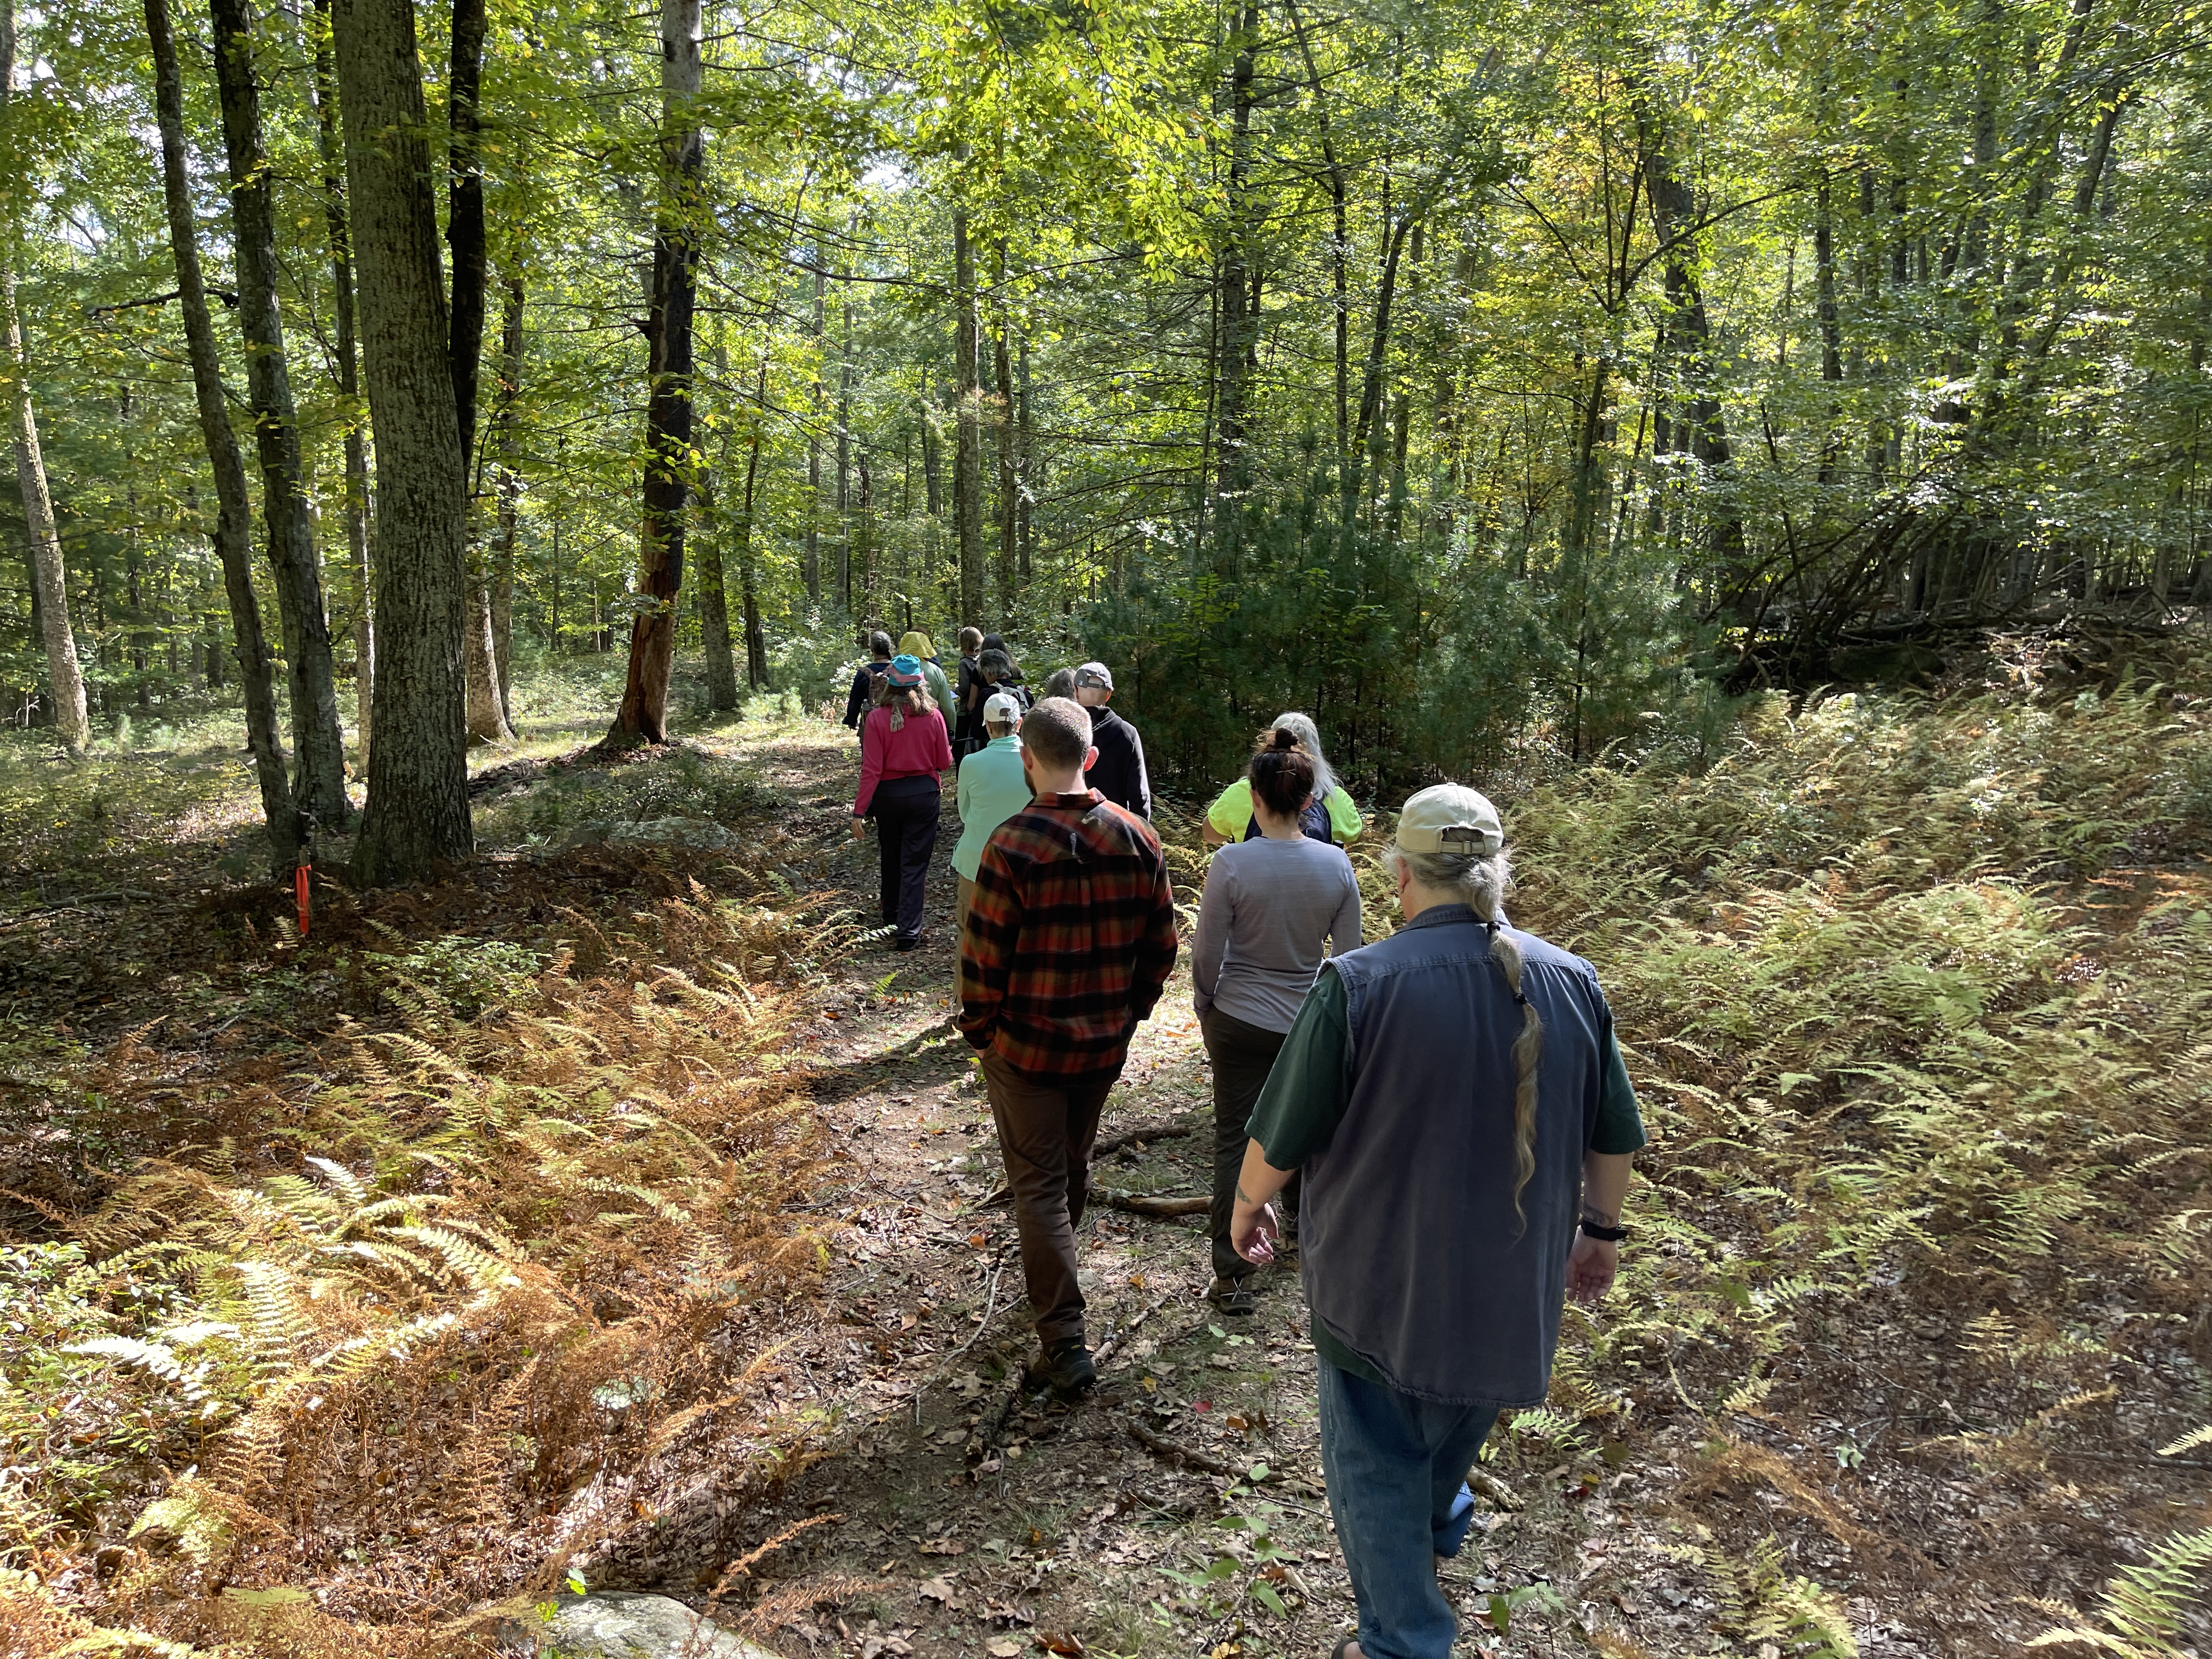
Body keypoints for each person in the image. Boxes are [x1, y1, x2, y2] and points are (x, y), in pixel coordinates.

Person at [1226, 785, 1645, 1659]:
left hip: (1376, 1291)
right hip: (1512, 1288)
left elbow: (1281, 1133)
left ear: (1402, 877)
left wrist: (1246, 1203)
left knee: (1375, 1466)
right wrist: (1600, 1233)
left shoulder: (1360, 984)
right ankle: (1434, 1526)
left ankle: (1402, 1641)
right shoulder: (1572, 982)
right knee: (1456, 1417)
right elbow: (1613, 1136)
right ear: (1497, 871)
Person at [959, 697, 1178, 1397]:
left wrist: (981, 1032)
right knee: (1069, 1168)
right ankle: (1059, 1298)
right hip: (1099, 1046)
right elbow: (1162, 949)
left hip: (1025, 1051)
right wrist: (1130, 1013)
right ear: (1090, 758)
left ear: (1027, 762)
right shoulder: (1139, 838)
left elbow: (982, 957)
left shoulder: (1012, 844)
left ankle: (1063, 1342)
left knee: (1041, 1186)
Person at [1192, 729, 1360, 1316]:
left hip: (1237, 1017)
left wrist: (1206, 1004)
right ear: (1311, 802)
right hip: (1307, 1024)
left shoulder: (1231, 862)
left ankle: (1234, 1277)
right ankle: (1305, 1250)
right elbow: (1348, 960)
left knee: (1236, 1141)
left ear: (1255, 798)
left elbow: (1207, 953)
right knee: (1309, 1136)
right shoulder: (1337, 865)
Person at [851, 656, 953, 951]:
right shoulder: (934, 717)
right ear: (922, 684)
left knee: (892, 854)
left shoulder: (876, 718)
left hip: (888, 796)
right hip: (924, 795)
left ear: (889, 684)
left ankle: (891, 914)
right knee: (914, 863)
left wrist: (860, 811)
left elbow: (871, 769)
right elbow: (944, 762)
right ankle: (908, 931)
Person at [1203, 712, 1362, 848]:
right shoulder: (1337, 798)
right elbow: (1357, 838)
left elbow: (1211, 835)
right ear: (1316, 751)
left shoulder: (1242, 791)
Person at [950, 691, 1029, 947]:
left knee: (971, 940)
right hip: (1025, 865)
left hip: (977, 863)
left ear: (987, 726)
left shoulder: (971, 763)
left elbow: (965, 813)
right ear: (1019, 724)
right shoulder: (1036, 762)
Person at [1073, 661, 1150, 820]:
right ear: (1109, 694)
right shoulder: (1128, 733)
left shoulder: (1063, 728)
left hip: (1069, 828)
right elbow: (1139, 795)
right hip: (1114, 830)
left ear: (1075, 691)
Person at [898, 630, 957, 726]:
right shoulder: (936, 671)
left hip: (902, 727)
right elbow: (948, 708)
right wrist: (952, 731)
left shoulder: (897, 670)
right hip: (931, 725)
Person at [843, 631, 895, 736]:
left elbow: (855, 700)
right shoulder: (897, 670)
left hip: (870, 724)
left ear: (872, 649)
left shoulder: (863, 673)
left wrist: (851, 720)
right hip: (895, 722)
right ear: (889, 647)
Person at [952, 628, 986, 758]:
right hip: (981, 709)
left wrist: (956, 689)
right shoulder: (983, 661)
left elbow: (965, 688)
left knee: (960, 747)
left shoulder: (964, 663)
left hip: (966, 710)